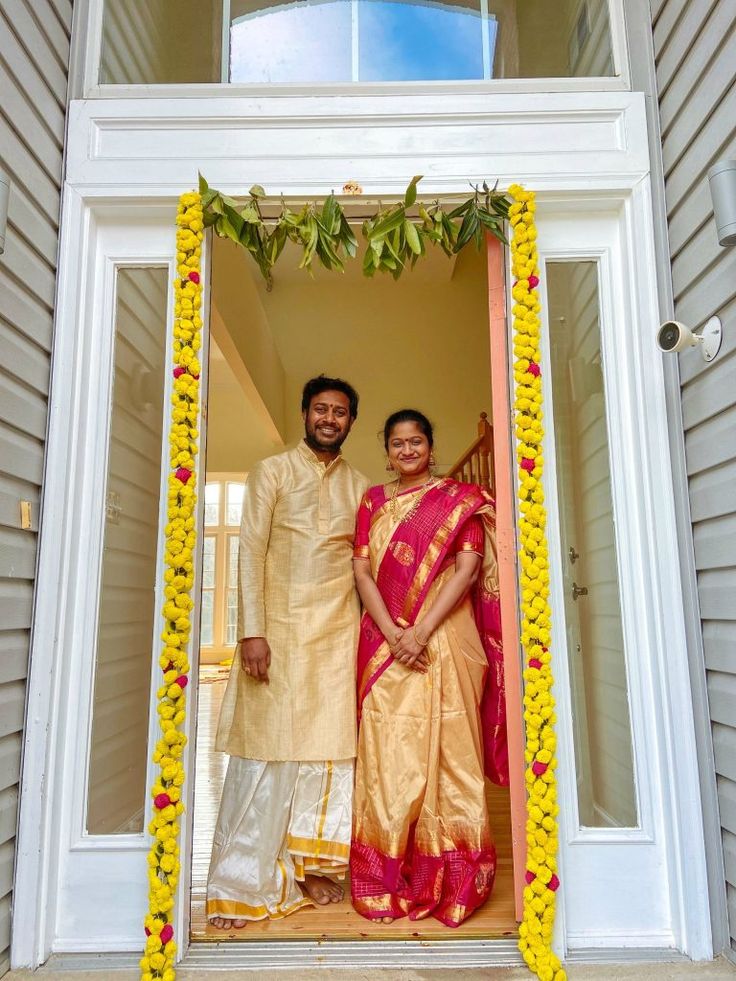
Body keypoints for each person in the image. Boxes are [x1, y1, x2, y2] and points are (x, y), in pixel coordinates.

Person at [206, 376, 370, 929]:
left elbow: (366, 567)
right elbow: (249, 552)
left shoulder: (363, 487)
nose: (330, 418)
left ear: (351, 422)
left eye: (341, 412)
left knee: (328, 754)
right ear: (304, 413)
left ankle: (312, 866)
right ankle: (240, 881)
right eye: (321, 409)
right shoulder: (271, 472)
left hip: (337, 635)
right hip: (276, 632)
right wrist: (252, 630)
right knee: (266, 753)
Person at [350, 408, 508, 927]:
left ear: (431, 447)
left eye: (416, 441)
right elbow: (363, 570)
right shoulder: (374, 500)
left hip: (446, 639)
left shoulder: (458, 502)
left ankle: (455, 874)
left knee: (452, 755)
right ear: (388, 451)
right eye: (398, 443)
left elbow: (466, 570)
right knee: (388, 754)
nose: (408, 451)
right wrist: (396, 634)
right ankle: (387, 872)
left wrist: (420, 631)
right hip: (384, 644)